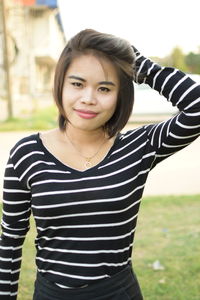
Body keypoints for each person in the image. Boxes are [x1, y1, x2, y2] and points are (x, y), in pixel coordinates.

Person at [0, 28, 200, 300]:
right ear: (60, 84)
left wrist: (139, 64)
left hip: (117, 293)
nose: (89, 98)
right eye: (77, 84)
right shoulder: (27, 153)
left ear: (120, 95)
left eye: (104, 88)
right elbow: (10, 240)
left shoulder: (138, 147)